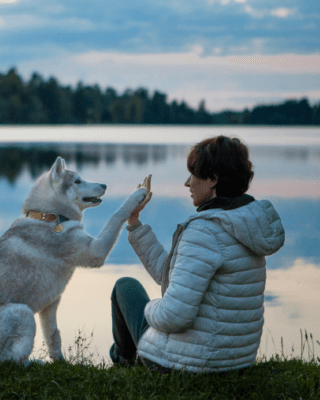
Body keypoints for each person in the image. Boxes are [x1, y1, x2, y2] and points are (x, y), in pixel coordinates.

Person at [110, 135, 285, 373]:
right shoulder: (245, 225)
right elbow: (169, 276)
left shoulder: (205, 230)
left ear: (213, 179)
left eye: (193, 174)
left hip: (191, 365)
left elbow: (174, 315)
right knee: (134, 293)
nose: (187, 183)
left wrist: (150, 308)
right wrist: (135, 222)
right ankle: (127, 357)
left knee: (125, 287)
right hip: (236, 363)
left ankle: (123, 359)